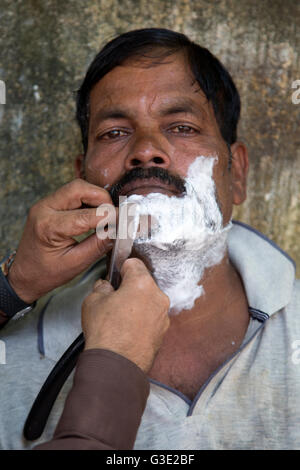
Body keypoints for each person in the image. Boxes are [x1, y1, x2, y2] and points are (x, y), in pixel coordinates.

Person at [0, 28, 299, 450]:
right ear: (83, 174)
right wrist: (12, 289)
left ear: (237, 174)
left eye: (180, 126)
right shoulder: (11, 353)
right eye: (115, 133)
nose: (146, 150)